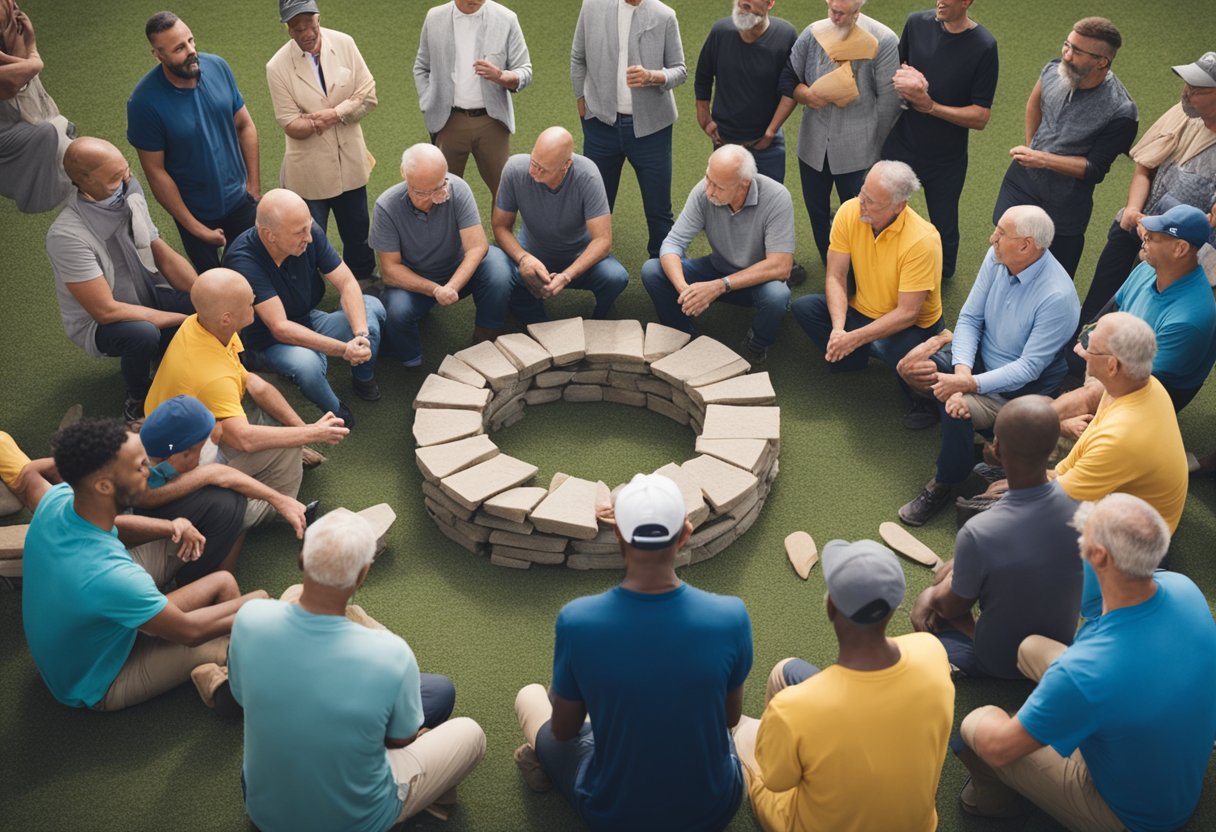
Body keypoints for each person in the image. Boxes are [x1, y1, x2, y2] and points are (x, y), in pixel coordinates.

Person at [956, 494, 1216, 830]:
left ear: (1100, 556)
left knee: (977, 724)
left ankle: (994, 801)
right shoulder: (1185, 589)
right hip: (1175, 770)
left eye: (1084, 537)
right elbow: (1097, 620)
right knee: (1030, 648)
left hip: (1139, 818)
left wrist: (1014, 720)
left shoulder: (1083, 672)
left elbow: (999, 749)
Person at [514, 473, 752, 831]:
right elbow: (729, 719)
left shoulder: (578, 621)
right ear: (685, 533)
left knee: (530, 698)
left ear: (619, 534)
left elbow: (564, 728)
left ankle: (543, 764)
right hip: (713, 808)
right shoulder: (731, 615)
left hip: (617, 815)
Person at [227, 509, 486, 830]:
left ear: (300, 560)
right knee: (471, 733)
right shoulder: (390, 654)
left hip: (263, 808)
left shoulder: (250, 617)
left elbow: (241, 696)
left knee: (436, 691)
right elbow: (401, 739)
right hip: (352, 820)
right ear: (362, 576)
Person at [21, 418, 266, 711]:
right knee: (229, 639)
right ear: (103, 485)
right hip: (95, 681)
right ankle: (226, 688)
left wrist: (169, 526)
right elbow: (190, 632)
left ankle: (221, 663)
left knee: (224, 581)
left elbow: (29, 474)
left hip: (91, 638)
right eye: (138, 466)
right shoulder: (112, 576)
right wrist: (261, 604)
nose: (148, 470)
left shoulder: (57, 501)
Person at [733, 538, 953, 832]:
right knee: (783, 671)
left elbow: (777, 782)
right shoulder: (932, 651)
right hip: (918, 825)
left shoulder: (793, 710)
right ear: (894, 606)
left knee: (744, 735)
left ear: (831, 607)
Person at [896, 205, 1079, 525]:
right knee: (916, 365)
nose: (992, 237)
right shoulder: (997, 256)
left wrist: (965, 385)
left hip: (1018, 392)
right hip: (977, 364)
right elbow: (969, 318)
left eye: (1001, 233)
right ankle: (944, 415)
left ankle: (946, 480)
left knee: (955, 406)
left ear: (1026, 245)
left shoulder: (1058, 298)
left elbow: (1029, 368)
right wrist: (962, 370)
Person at [145, 268, 350, 509]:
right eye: (249, 303)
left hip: (171, 426)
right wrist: (312, 434)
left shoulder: (202, 325)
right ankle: (272, 510)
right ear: (227, 317)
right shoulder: (214, 377)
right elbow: (244, 439)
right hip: (180, 455)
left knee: (261, 391)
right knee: (287, 449)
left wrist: (303, 428)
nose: (255, 303)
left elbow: (254, 384)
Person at [908, 397, 1082, 678]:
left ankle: (962, 659)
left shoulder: (979, 532)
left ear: (997, 449)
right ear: (1052, 451)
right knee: (955, 569)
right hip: (1058, 644)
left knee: (935, 595)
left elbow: (951, 606)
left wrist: (931, 596)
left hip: (1002, 662)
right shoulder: (1081, 504)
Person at [46, 137, 198, 423]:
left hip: (147, 292)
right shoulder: (66, 237)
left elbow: (159, 249)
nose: (126, 178)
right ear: (84, 181)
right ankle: (137, 397)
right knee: (143, 334)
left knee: (202, 300)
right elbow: (106, 311)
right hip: (104, 323)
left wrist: (203, 293)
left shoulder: (128, 186)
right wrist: (178, 319)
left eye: (125, 169)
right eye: (115, 177)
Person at [223, 188, 386, 427]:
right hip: (267, 341)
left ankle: (362, 376)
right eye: (300, 232)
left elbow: (347, 282)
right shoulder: (243, 261)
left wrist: (360, 335)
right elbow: (280, 328)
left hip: (306, 318)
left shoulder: (308, 233)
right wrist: (343, 349)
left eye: (308, 227)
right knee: (307, 364)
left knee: (372, 308)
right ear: (270, 235)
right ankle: (336, 410)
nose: (309, 238)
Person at [991, 17, 1137, 277]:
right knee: (1002, 247)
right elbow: (1034, 103)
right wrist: (1031, 145)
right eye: (1067, 45)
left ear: (1102, 61)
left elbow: (1094, 169)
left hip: (1065, 202)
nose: (1067, 55)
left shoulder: (1122, 112)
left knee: (1050, 273)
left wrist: (1042, 159)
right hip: (1021, 182)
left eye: (1077, 51)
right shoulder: (1053, 69)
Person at [1079, 51, 1216, 324]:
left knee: (1139, 321)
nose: (1186, 92)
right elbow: (1145, 166)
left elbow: (1211, 221)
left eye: (1198, 88)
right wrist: (1133, 210)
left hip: (1181, 250)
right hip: (1138, 223)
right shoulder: (1182, 114)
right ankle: (1075, 356)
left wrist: (1159, 225)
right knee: (1099, 302)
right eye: (1187, 83)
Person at [1057, 205, 1216, 433]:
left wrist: (1092, 359)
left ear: (1180, 248)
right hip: (1114, 363)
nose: (1144, 241)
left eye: (1153, 238)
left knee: (1067, 429)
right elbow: (1106, 314)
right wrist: (1089, 346)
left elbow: (1134, 381)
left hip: (1148, 391)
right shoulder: (1146, 270)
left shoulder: (1190, 317)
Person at [792, 160, 943, 401]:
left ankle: (921, 403)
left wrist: (854, 338)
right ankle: (853, 356)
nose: (861, 205)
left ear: (899, 206)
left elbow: (907, 313)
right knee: (804, 308)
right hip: (862, 308)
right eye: (862, 193)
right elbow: (835, 275)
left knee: (903, 361)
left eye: (871, 202)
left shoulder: (922, 241)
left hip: (910, 325)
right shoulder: (849, 210)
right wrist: (839, 330)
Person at [127, 11, 261, 272]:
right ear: (158, 55)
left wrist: (253, 188)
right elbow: (156, 172)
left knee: (255, 271)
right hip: (194, 212)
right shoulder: (143, 103)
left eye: (191, 41)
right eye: (179, 48)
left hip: (241, 200)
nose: (191, 51)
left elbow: (245, 125)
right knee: (215, 287)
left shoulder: (218, 67)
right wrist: (195, 227)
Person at [641, 144, 794, 366]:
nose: (709, 190)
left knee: (777, 296)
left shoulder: (777, 197)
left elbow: (781, 266)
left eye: (719, 187)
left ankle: (757, 344)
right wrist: (685, 289)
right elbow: (672, 244)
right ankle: (685, 336)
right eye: (707, 178)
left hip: (757, 281)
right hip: (717, 268)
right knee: (652, 270)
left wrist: (719, 286)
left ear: (745, 183)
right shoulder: (703, 192)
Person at [881, 0, 998, 279]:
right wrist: (907, 84)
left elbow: (980, 116)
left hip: (946, 158)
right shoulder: (916, 23)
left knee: (944, 225)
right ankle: (881, 262)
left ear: (967, 2)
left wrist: (930, 106)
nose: (940, 2)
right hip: (901, 143)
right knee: (881, 207)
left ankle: (941, 276)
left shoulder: (984, 46)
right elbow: (899, 68)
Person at [371, 143, 514, 367]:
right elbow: (390, 270)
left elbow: (477, 246)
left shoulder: (458, 188)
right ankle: (411, 358)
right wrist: (435, 290)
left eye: (439, 188)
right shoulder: (386, 206)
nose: (432, 198)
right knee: (396, 310)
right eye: (421, 192)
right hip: (416, 280)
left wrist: (452, 286)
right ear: (403, 174)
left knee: (498, 267)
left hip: (457, 270)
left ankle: (487, 332)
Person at [779, 0, 900, 264]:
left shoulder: (884, 39)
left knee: (863, 217)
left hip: (860, 150)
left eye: (842, 13)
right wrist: (807, 95)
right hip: (812, 146)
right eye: (832, 9)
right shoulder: (812, 32)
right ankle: (829, 263)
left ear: (858, 10)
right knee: (817, 212)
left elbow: (889, 103)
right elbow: (788, 77)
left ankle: (862, 273)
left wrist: (874, 149)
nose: (834, 16)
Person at [266, 0, 378, 283]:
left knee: (357, 229)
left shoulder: (344, 43)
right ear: (288, 30)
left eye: (309, 24)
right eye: (297, 27)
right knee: (305, 235)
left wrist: (332, 114)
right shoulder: (277, 66)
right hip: (308, 171)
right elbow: (291, 125)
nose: (305, 33)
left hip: (351, 161)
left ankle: (364, 280)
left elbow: (369, 96)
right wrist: (347, 105)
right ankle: (306, 286)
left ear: (318, 18)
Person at [570, 0, 686, 259]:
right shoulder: (592, 6)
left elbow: (680, 70)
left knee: (658, 210)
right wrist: (582, 103)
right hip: (600, 125)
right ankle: (591, 267)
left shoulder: (664, 15)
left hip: (652, 130)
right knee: (596, 204)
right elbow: (578, 58)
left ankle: (664, 271)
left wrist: (654, 76)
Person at [1055, 313, 1188, 533]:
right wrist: (1051, 475)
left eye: (1090, 345)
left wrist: (1021, 483)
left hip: (1130, 542)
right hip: (1120, 504)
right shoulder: (1136, 385)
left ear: (1112, 365)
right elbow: (1074, 460)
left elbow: (1055, 499)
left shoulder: (1122, 437)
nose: (1081, 350)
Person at [136, 394, 309, 559]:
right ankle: (285, 512)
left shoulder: (157, 447)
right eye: (200, 446)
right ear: (182, 455)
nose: (205, 446)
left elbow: (217, 437)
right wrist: (279, 500)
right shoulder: (142, 484)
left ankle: (288, 507)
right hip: (165, 538)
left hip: (192, 480)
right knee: (231, 502)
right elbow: (217, 474)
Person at [492, 126, 629, 323]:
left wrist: (567, 276)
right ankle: (536, 319)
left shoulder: (588, 175)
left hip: (579, 256)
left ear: (566, 165)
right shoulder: (514, 169)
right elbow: (500, 226)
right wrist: (523, 258)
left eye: (543, 169)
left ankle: (600, 318)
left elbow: (603, 240)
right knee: (502, 278)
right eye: (533, 162)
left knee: (615, 277)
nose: (533, 172)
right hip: (531, 254)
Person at [413, 0, 532, 203]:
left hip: (492, 121)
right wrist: (428, 101)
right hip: (449, 120)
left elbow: (525, 70)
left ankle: (501, 234)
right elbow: (421, 67)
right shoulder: (434, 17)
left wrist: (501, 76)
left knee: (503, 191)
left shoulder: (506, 19)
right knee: (441, 191)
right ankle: (448, 235)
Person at [694, 0, 798, 184]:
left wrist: (771, 132)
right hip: (724, 143)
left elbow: (790, 89)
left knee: (769, 205)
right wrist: (704, 119)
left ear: (770, 3)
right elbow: (703, 76)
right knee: (725, 203)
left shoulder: (786, 36)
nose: (742, 3)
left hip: (768, 147)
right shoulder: (720, 32)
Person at [0, 0, 72, 213]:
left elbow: (23, 73)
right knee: (50, 132)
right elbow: (11, 84)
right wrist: (34, 60)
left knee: (57, 132)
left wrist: (30, 53)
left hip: (19, 109)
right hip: (8, 129)